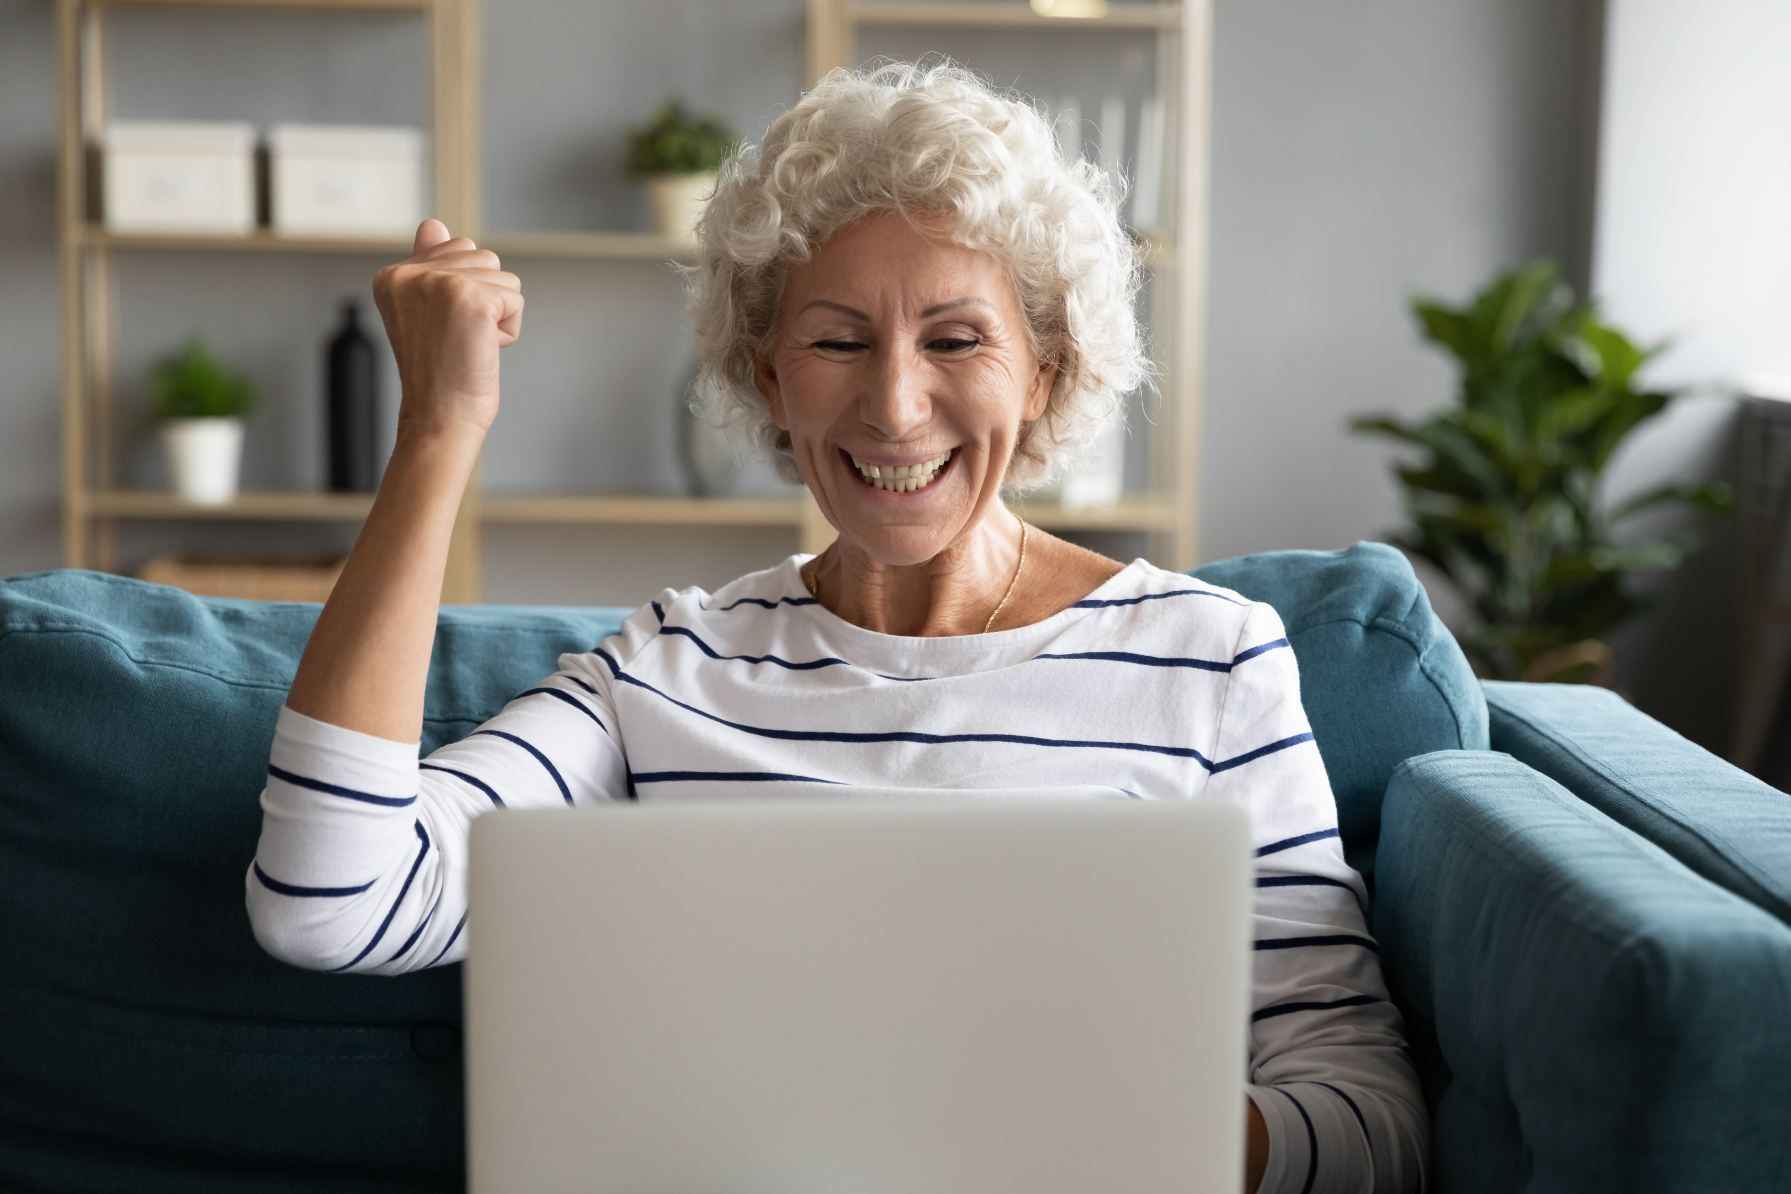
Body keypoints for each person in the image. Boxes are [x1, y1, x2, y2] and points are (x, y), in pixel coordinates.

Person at [246, 58, 1429, 1194]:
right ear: (771, 378)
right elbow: (328, 898)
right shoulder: (667, 672)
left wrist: (1131, 1131)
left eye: (957, 340)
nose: (895, 405)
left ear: (1046, 374)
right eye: (837, 341)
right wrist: (440, 428)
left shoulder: (1208, 662)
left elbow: (1372, 1122)